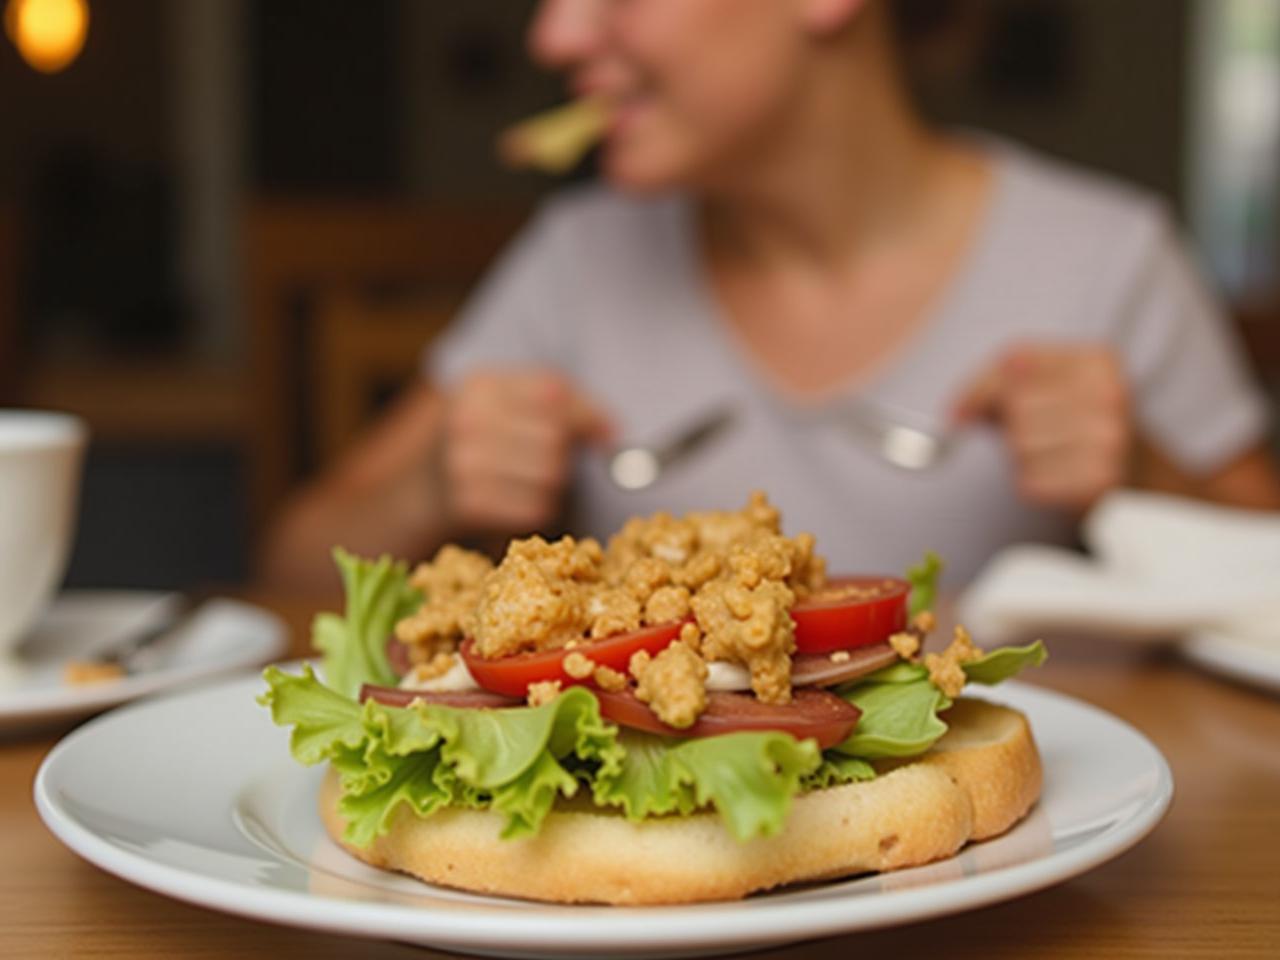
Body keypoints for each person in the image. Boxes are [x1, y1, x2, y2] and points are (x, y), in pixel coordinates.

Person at [263, 0, 1280, 592]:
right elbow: (294, 568)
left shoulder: (1107, 257)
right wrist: (427, 486)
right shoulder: (579, 256)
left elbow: (1262, 587)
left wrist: (1143, 473)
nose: (555, 35)